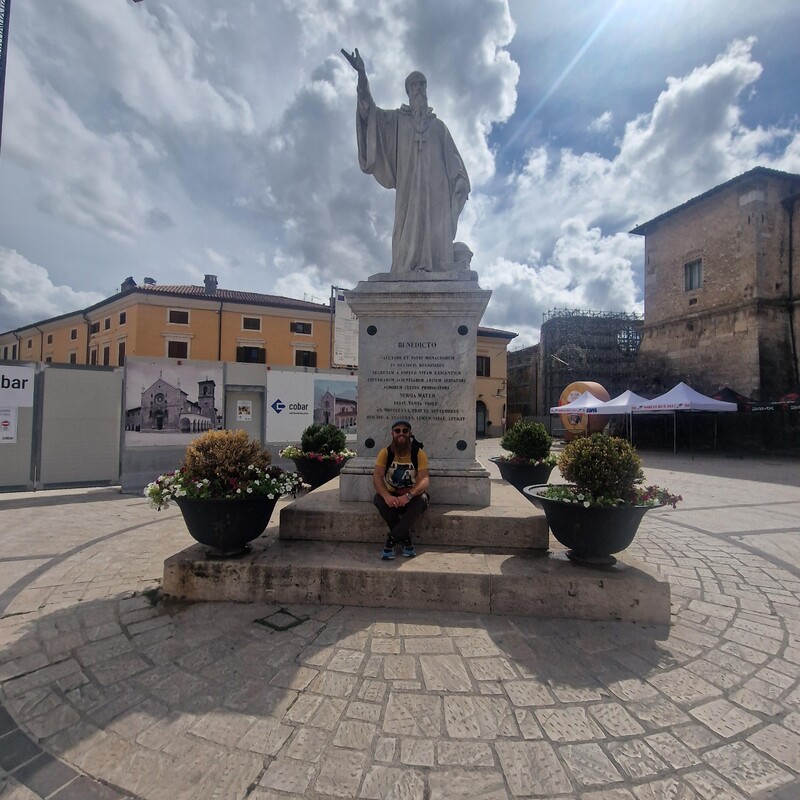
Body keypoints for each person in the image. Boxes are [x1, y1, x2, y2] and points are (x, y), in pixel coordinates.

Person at [341, 47, 470, 274]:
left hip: (436, 195)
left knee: (435, 233)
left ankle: (436, 264)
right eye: (414, 85)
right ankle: (407, 265)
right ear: (408, 92)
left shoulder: (439, 127)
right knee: (405, 238)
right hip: (409, 192)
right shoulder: (397, 121)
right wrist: (362, 76)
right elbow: (368, 111)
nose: (419, 89)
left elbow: (454, 160)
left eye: (422, 85)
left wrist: (459, 180)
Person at [372, 419, 430, 560]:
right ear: (392, 433)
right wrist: (387, 496)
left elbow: (424, 479)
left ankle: (392, 540)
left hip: (411, 498)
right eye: (397, 431)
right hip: (393, 498)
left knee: (422, 499)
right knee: (378, 499)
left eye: (405, 431)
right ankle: (405, 539)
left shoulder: (418, 453)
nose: (401, 433)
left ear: (410, 434)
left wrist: (408, 496)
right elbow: (377, 476)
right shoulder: (385, 453)